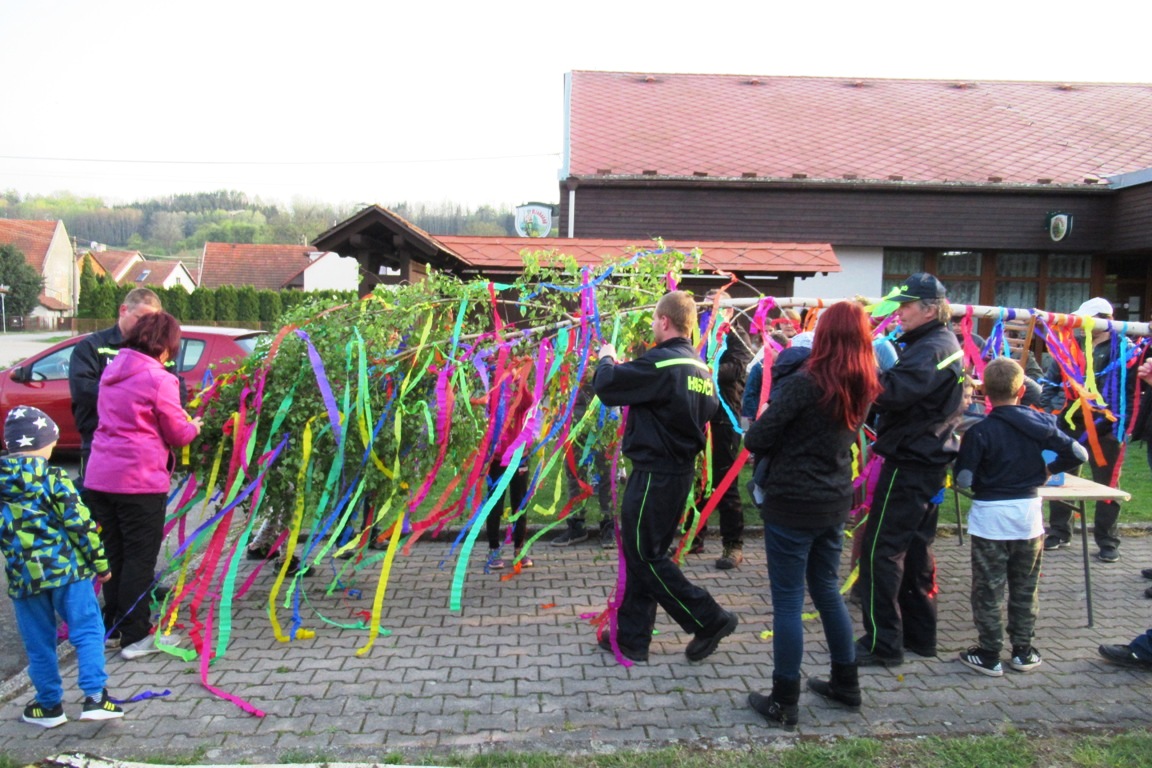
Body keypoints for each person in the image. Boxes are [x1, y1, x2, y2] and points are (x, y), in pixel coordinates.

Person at [742, 301, 882, 727]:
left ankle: (784, 699)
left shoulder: (806, 383)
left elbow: (758, 437)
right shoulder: (864, 383)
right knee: (826, 590)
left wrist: (767, 421)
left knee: (788, 600)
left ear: (824, 337)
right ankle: (846, 683)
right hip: (833, 500)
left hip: (793, 502)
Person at [593, 290, 737, 663]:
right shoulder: (700, 368)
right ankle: (632, 637)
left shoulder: (662, 363)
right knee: (644, 552)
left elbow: (607, 386)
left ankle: (709, 618)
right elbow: (705, 409)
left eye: (655, 321)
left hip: (654, 474)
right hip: (678, 472)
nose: (653, 326)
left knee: (644, 556)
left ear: (664, 321)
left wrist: (606, 358)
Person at [856, 273, 966, 667]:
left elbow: (890, 393)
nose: (898, 314)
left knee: (880, 551)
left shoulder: (932, 348)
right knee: (916, 550)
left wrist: (857, 363)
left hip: (912, 463)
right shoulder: (936, 343)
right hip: (928, 460)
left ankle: (882, 643)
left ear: (930, 309)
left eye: (905, 306)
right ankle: (920, 636)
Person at [953, 358, 1087, 677]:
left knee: (988, 589)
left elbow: (964, 479)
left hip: (990, 519)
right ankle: (1023, 651)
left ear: (985, 392)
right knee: (1025, 586)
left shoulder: (979, 431)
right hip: (1028, 517)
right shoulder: (1042, 425)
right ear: (1022, 391)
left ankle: (989, 653)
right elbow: (1078, 453)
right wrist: (1049, 469)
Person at [83, 312, 202, 660]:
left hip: (101, 477)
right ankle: (135, 636)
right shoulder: (159, 378)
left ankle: (113, 628)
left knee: (115, 554)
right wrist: (194, 426)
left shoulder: (112, 369)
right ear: (166, 345)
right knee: (139, 558)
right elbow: (177, 433)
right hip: (138, 482)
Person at [1, 406, 124, 728]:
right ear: (44, 443)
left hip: (24, 579)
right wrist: (100, 564)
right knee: (88, 630)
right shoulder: (53, 477)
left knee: (38, 641)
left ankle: (49, 705)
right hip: (68, 572)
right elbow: (80, 524)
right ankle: (95, 697)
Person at [1040, 297, 1133, 563]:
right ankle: (1059, 531)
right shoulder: (1071, 345)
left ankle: (1107, 540)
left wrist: (1118, 424)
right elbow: (1051, 381)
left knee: (1107, 485)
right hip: (1069, 424)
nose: (1079, 324)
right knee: (1061, 478)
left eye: (1086, 319)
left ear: (1103, 320)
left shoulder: (1124, 349)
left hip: (1106, 428)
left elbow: (1127, 391)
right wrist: (1050, 412)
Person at [68, 287, 163, 484]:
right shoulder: (92, 346)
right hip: (100, 440)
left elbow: (175, 387)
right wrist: (131, 401)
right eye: (140, 319)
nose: (145, 328)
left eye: (152, 322)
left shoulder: (156, 349)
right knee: (94, 499)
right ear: (123, 310)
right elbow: (83, 390)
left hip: (143, 444)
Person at [699, 291, 754, 570]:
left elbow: (734, 369)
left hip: (725, 419)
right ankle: (694, 537)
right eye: (707, 307)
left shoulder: (737, 336)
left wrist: (700, 368)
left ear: (729, 311)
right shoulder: (699, 333)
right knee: (696, 480)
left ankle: (733, 544)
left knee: (724, 482)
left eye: (717, 307)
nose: (711, 312)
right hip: (698, 417)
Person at [551, 372, 618, 549]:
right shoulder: (570, 355)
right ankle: (577, 525)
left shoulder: (606, 353)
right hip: (574, 419)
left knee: (606, 474)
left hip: (604, 416)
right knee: (574, 473)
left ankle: (608, 524)